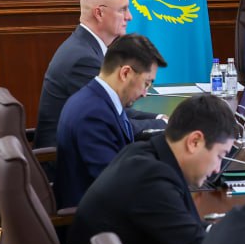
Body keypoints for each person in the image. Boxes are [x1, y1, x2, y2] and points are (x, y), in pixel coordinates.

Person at [64, 94, 237, 244]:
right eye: (220, 156)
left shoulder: (143, 154)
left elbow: (188, 232)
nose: (217, 170)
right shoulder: (150, 180)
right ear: (195, 141)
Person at [35, 0, 166, 150]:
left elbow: (115, 111)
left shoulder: (85, 47)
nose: (129, 16)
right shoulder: (83, 60)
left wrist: (158, 118)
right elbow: (113, 121)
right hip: (63, 157)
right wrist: (164, 125)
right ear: (99, 13)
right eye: (123, 9)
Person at [54, 34, 166, 209]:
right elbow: (113, 185)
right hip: (96, 218)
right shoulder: (93, 115)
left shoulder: (98, 100)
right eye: (146, 83)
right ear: (125, 73)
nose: (145, 93)